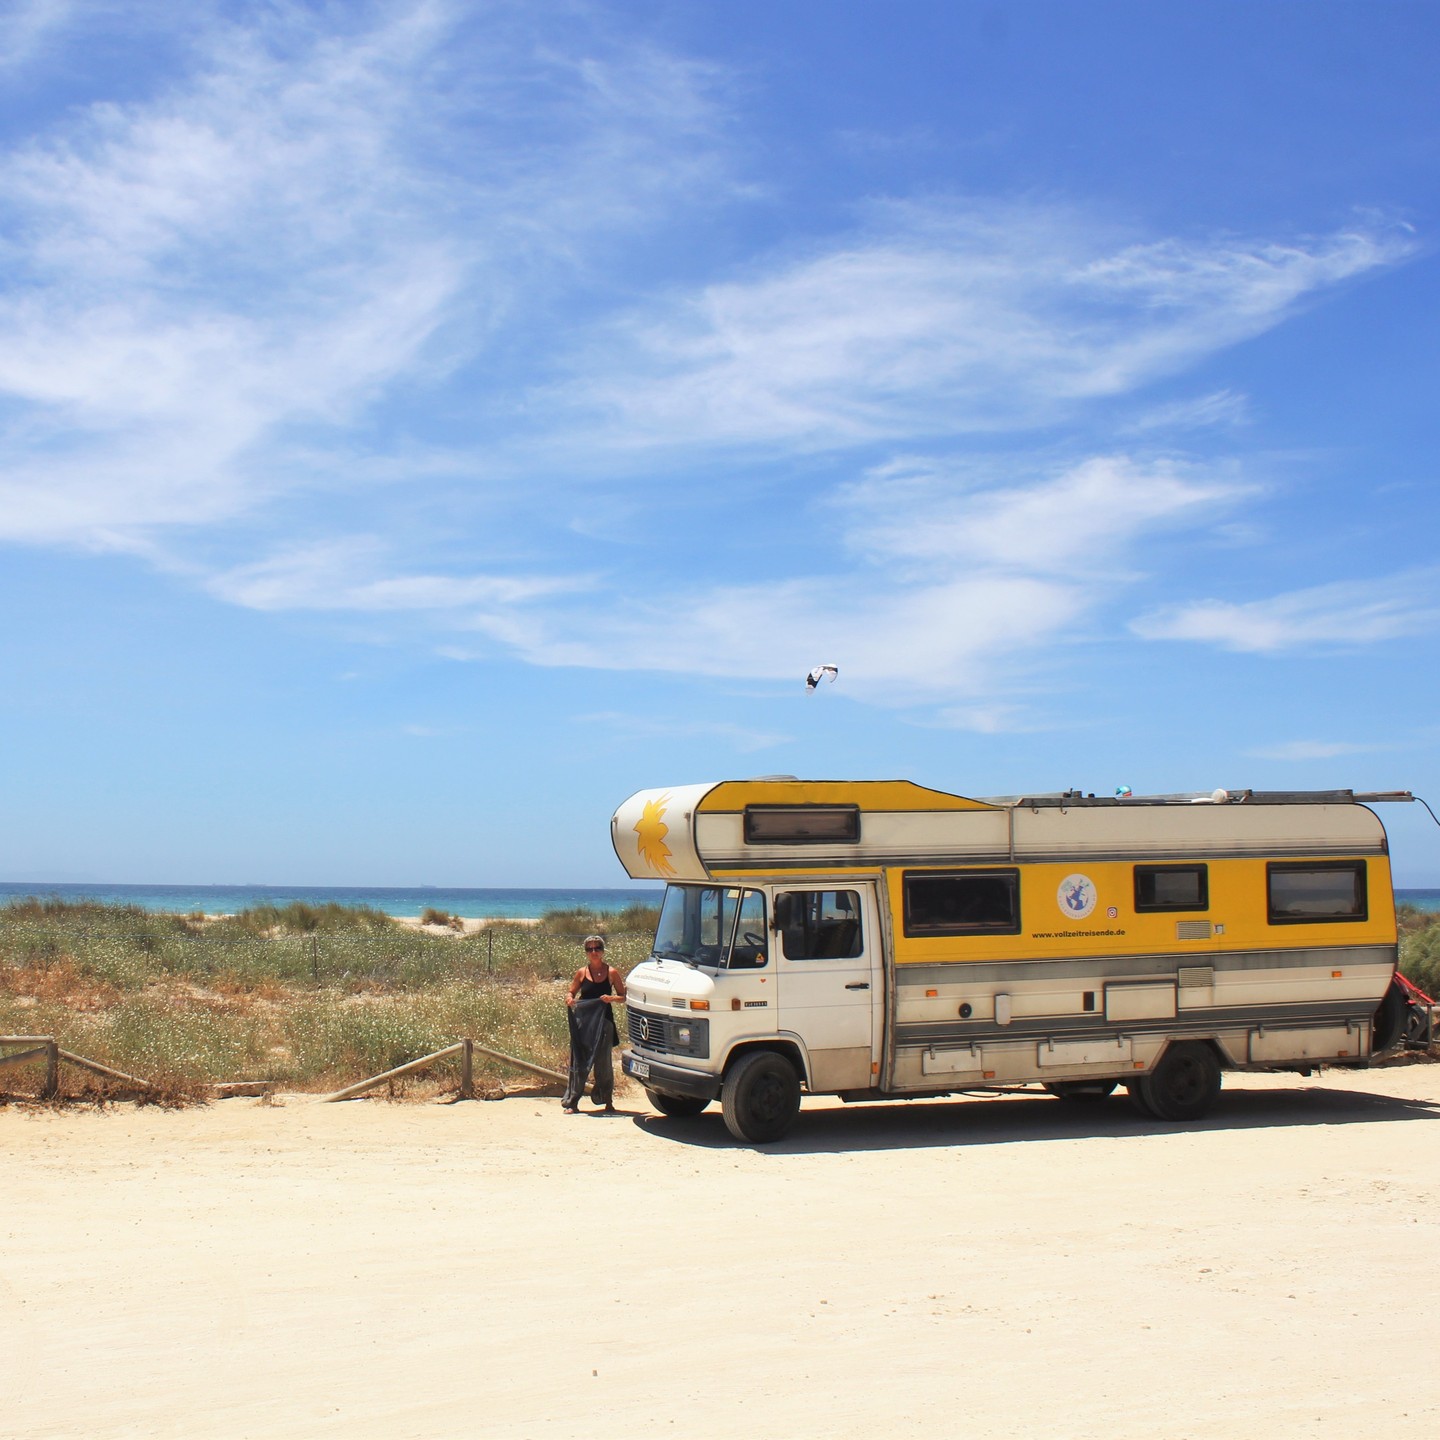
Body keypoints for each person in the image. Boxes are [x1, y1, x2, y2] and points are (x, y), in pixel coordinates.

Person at [562, 935, 626, 1114]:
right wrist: (569, 999)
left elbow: (623, 997)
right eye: (589, 949)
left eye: (597, 948)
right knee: (579, 1061)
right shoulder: (582, 972)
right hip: (584, 1023)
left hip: (604, 1022)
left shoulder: (612, 972)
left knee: (603, 1063)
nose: (594, 952)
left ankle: (607, 1101)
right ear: (586, 953)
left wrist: (611, 998)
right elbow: (571, 992)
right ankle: (572, 1102)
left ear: (603, 951)